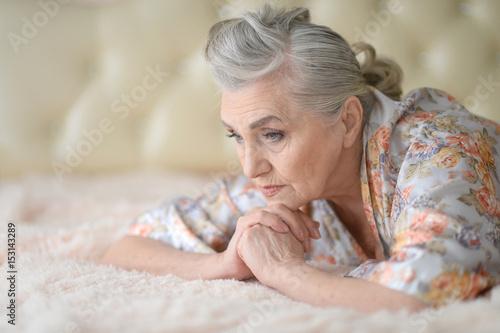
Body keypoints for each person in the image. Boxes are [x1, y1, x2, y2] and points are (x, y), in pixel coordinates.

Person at [100, 4, 500, 312]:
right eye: (236, 136)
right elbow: (129, 247)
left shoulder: (441, 150)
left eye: (273, 135)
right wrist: (224, 264)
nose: (250, 166)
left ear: (347, 121)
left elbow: (423, 297)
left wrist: (284, 272)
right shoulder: (285, 185)